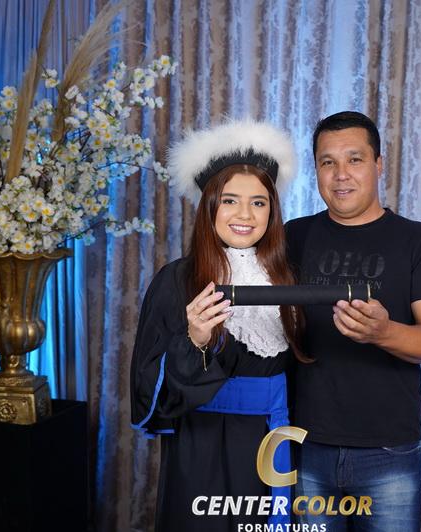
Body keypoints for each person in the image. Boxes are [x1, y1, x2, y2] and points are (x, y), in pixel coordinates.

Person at [130, 119, 305, 531]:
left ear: (272, 211)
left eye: (259, 202)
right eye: (230, 200)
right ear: (210, 206)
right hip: (202, 445)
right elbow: (149, 390)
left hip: (273, 438)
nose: (245, 214)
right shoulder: (177, 279)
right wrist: (193, 341)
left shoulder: (289, 277)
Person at [285, 111, 421, 531]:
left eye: (355, 159)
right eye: (328, 162)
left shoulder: (418, 241)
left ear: (379, 164)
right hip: (306, 445)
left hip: (388, 452)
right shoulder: (293, 236)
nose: (341, 174)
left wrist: (384, 332)